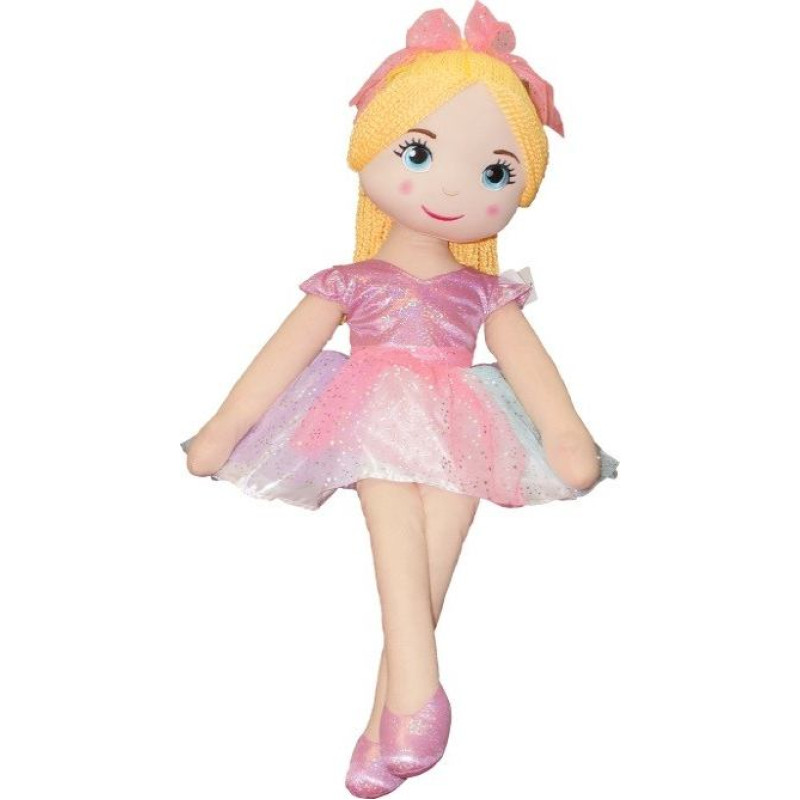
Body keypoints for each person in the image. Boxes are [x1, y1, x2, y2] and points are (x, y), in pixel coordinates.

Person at [181, 3, 619, 796]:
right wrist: (223, 429)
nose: (451, 185)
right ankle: (418, 694)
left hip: (464, 420)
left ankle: (383, 728)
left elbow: (532, 369)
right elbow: (280, 358)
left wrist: (565, 434)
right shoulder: (353, 281)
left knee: (435, 556)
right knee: (396, 536)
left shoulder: (485, 291)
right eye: (418, 152)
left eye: (495, 172)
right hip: (371, 406)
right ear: (372, 149)